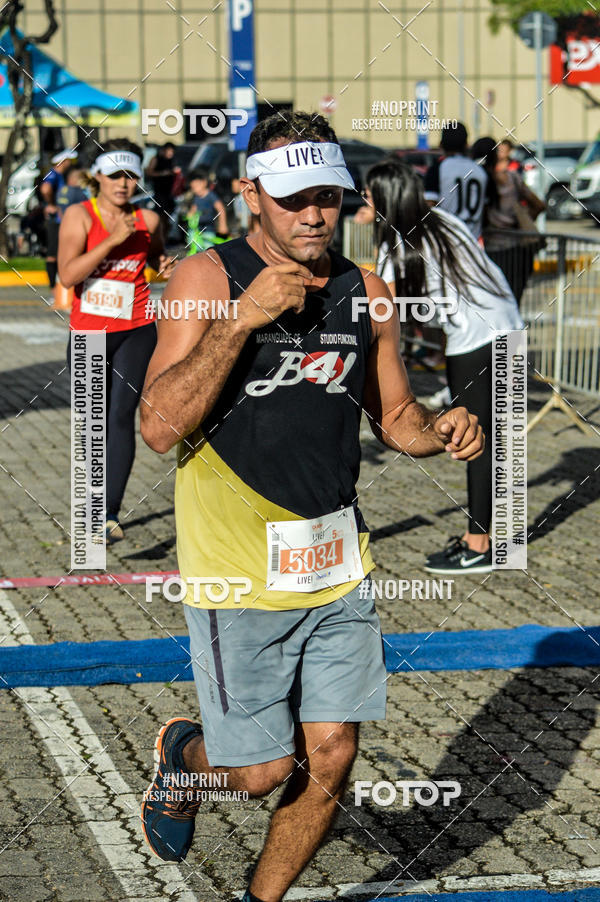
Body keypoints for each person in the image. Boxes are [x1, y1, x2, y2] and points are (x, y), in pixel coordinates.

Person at [139, 111, 484, 901]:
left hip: (338, 563)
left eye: (327, 195)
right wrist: (244, 317)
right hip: (236, 572)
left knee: (330, 752)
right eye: (294, 197)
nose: (314, 214)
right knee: (258, 774)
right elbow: (157, 426)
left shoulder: (367, 292)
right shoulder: (205, 279)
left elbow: (395, 419)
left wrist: (444, 428)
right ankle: (187, 763)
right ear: (252, 195)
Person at [365, 158, 523, 574]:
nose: (361, 201)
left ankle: (480, 544)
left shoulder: (394, 245)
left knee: (476, 437)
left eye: (367, 194)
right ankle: (490, 537)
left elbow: (383, 311)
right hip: (506, 322)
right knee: (492, 436)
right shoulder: (440, 219)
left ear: (384, 199)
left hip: (477, 337)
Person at [58, 139, 175, 544]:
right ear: (97, 178)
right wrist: (110, 241)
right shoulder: (79, 215)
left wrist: (162, 267)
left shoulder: (149, 219)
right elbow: (69, 276)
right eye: (115, 176)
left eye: (131, 176)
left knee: (121, 418)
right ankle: (89, 508)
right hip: (89, 332)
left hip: (136, 329)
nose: (123, 185)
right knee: (93, 424)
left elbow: (154, 259)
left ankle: (107, 515)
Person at [472, 136, 546, 306]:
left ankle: (503, 333)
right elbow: (539, 205)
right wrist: (522, 222)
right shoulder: (513, 179)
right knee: (514, 304)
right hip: (519, 249)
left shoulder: (480, 181)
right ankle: (515, 333)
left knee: (495, 305)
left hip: (494, 250)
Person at [424, 121, 488, 240]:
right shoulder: (480, 171)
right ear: (466, 144)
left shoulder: (438, 169)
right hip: (472, 243)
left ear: (441, 144)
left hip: (446, 242)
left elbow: (430, 206)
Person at [39, 149, 78, 288]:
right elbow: (45, 189)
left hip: (63, 219)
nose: (70, 163)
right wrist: (51, 205)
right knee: (53, 252)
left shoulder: (60, 175)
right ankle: (53, 289)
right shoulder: (53, 174)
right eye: (69, 160)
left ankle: (60, 286)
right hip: (55, 220)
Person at [185, 167, 229, 253]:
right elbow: (193, 209)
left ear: (204, 182)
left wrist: (223, 225)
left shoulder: (211, 196)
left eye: (197, 186)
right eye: (193, 188)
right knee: (194, 245)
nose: (195, 190)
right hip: (197, 229)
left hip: (208, 229)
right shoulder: (196, 198)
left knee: (209, 249)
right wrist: (190, 214)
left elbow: (221, 209)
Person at [145, 141, 179, 241]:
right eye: (169, 151)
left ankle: (165, 238)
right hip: (160, 193)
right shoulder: (156, 159)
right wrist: (163, 173)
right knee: (161, 216)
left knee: (168, 217)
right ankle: (159, 238)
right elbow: (149, 172)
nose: (171, 154)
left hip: (169, 193)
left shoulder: (171, 160)